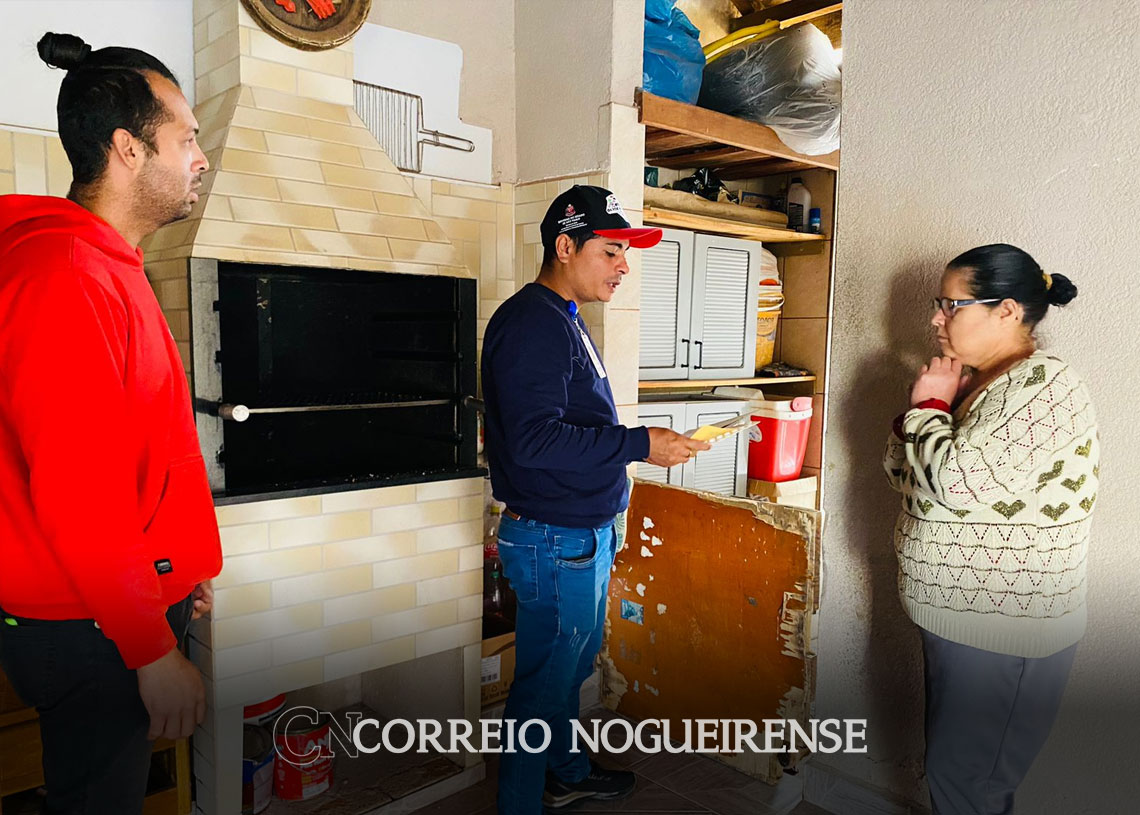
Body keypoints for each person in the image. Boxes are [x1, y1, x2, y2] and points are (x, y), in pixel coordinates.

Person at [0, 33, 222, 814]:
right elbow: (78, 491)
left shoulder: (107, 264)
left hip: (109, 609)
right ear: (129, 148)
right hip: (88, 628)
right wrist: (150, 646)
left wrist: (175, 564)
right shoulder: (65, 275)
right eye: (186, 138)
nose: (201, 157)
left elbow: (135, 449)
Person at [482, 185, 708, 813]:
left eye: (624, 253)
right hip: (557, 540)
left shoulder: (562, 316)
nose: (623, 266)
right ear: (565, 247)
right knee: (543, 686)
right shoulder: (533, 323)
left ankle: (566, 772)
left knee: (567, 672)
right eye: (611, 251)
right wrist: (639, 442)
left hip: (577, 534)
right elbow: (533, 440)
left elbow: (564, 425)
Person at [883, 244, 1097, 815]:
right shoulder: (977, 382)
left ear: (1007, 311)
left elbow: (955, 483)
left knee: (968, 782)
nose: (936, 319)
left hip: (1003, 625)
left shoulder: (1045, 386)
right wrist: (926, 414)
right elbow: (901, 472)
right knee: (955, 773)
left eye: (951, 305)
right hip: (961, 618)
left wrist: (928, 408)